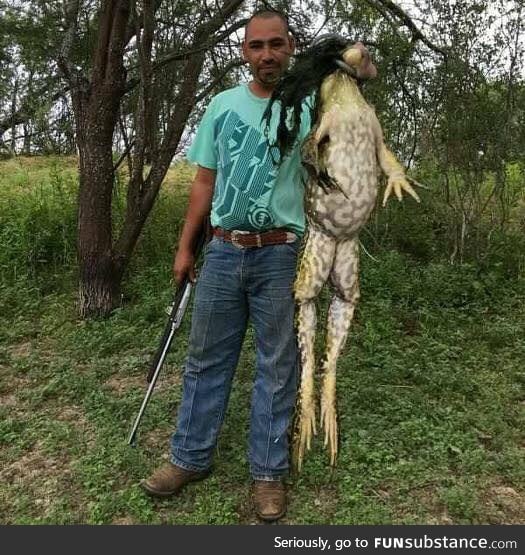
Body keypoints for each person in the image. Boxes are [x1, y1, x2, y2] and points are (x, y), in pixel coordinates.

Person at [141, 9, 307, 522]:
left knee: (278, 367)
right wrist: (184, 246)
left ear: (290, 47)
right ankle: (189, 458)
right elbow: (204, 183)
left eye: (276, 44)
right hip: (222, 249)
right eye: (257, 46)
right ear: (243, 51)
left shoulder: (306, 107)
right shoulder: (222, 105)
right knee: (206, 360)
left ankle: (267, 474)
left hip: (279, 252)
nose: (267, 55)